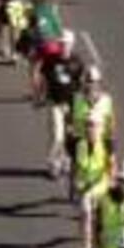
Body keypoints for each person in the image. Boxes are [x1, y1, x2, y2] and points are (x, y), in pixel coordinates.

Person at [41, 31, 86, 179]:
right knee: (56, 135)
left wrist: (78, 107)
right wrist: (41, 95)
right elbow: (45, 78)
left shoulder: (77, 62)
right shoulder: (51, 61)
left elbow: (81, 85)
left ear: (72, 44)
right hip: (55, 102)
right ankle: (54, 164)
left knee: (73, 135)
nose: (64, 46)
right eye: (62, 43)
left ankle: (67, 161)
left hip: (74, 104)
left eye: (66, 43)